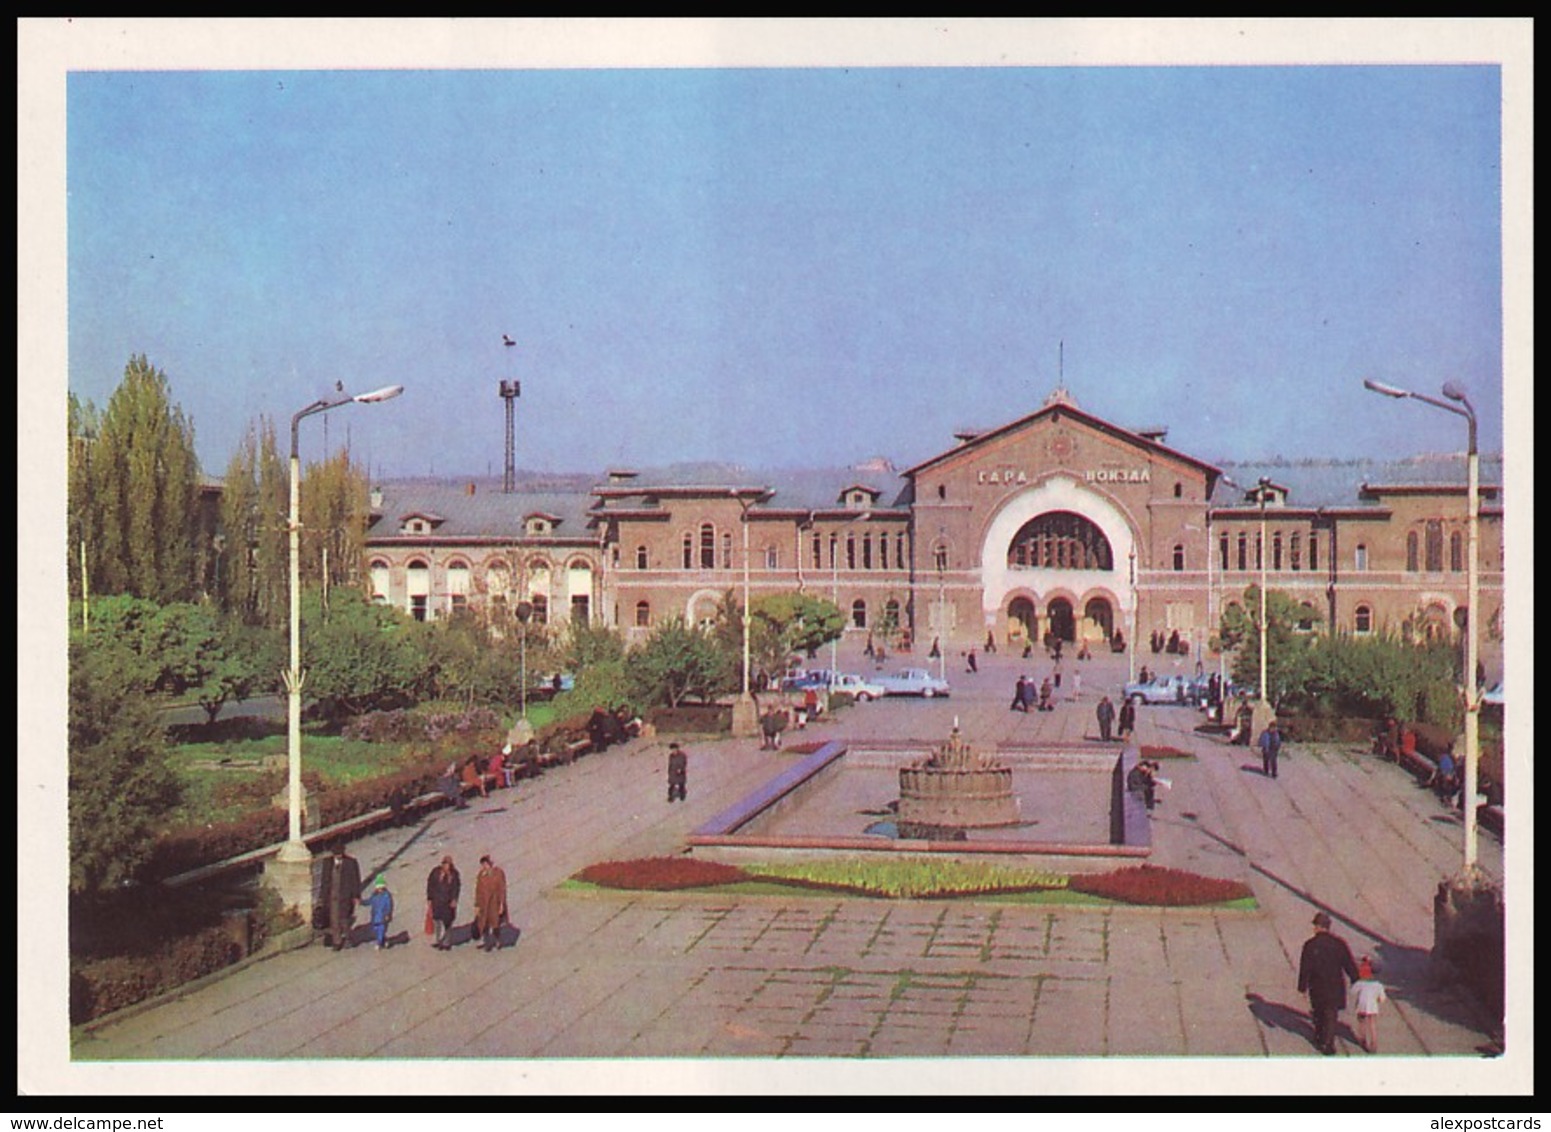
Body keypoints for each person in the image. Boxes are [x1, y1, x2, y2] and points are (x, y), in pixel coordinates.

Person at [1298, 911, 1359, 1055]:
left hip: (1317, 986)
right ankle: (1329, 1043)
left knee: (1319, 1012)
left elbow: (1305, 967)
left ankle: (1319, 1038)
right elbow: (1348, 963)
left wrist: (1302, 986)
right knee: (1331, 1015)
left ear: (1318, 927)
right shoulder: (1339, 944)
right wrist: (1355, 979)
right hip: (1335, 985)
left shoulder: (1310, 945)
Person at [320, 844, 362, 951]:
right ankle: (336, 941)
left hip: (345, 895)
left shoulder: (351, 863)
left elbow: (356, 880)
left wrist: (356, 895)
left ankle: (347, 937)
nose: (338, 856)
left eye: (340, 854)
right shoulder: (327, 863)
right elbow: (324, 880)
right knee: (334, 919)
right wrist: (322, 896)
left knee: (344, 919)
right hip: (332, 895)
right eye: (336, 855)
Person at [473, 854, 508, 953]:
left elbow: (502, 889)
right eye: (483, 864)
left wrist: (501, 903)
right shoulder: (481, 875)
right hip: (483, 903)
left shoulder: (498, 873)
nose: (484, 866)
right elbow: (478, 890)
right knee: (484, 923)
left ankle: (497, 939)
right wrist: (476, 904)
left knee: (495, 923)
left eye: (486, 864)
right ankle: (486, 941)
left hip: (494, 902)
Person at [1352, 957, 1387, 1053]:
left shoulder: (1361, 983)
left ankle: (1363, 1038)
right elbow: (1382, 999)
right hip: (1372, 1006)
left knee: (1361, 1021)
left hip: (1361, 1005)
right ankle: (1374, 1042)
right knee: (1372, 1023)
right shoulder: (1378, 985)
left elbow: (1353, 991)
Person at [426, 855, 461, 951]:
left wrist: (454, 899)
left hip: (448, 903)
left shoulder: (454, 874)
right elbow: (430, 885)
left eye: (448, 864)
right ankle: (438, 940)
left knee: (448, 922)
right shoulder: (435, 872)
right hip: (437, 902)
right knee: (437, 921)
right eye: (445, 864)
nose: (446, 866)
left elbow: (456, 887)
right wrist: (430, 898)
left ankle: (447, 942)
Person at [365, 875, 394, 951]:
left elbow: (389, 905)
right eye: (378, 887)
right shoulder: (374, 895)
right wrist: (362, 902)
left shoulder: (386, 896)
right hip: (375, 916)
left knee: (381, 930)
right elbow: (369, 901)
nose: (379, 889)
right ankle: (384, 940)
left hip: (382, 916)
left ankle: (379, 943)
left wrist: (388, 913)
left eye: (381, 887)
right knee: (376, 930)